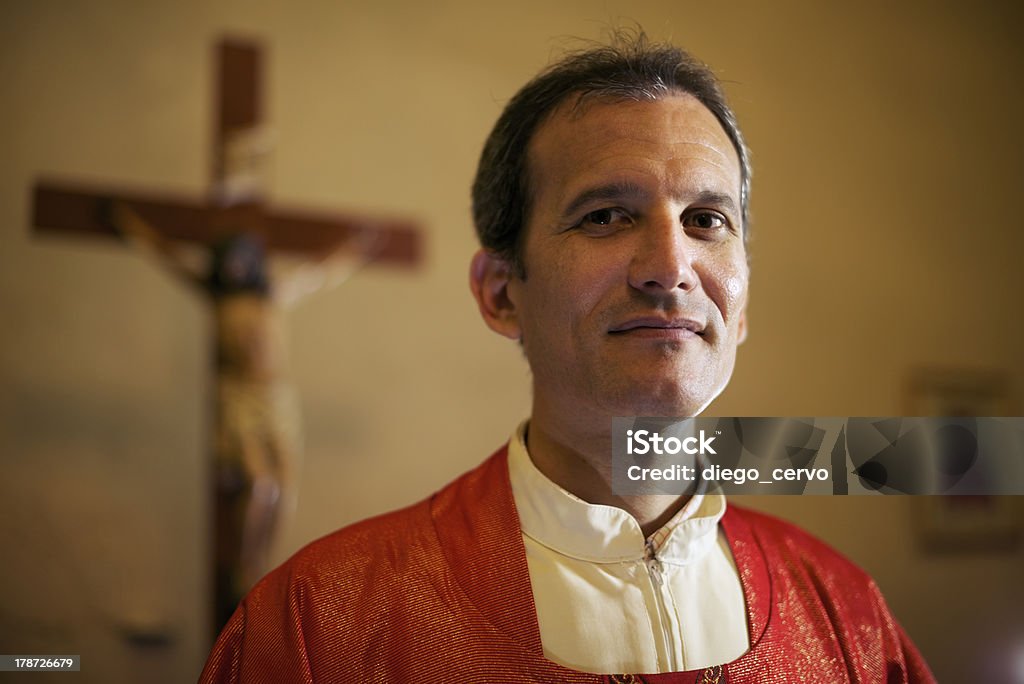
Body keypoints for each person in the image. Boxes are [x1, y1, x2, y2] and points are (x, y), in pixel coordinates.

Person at [200, 33, 934, 683]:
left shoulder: (848, 613)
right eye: (606, 216)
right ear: (500, 293)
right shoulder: (321, 623)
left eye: (707, 219)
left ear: (740, 307)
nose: (669, 267)